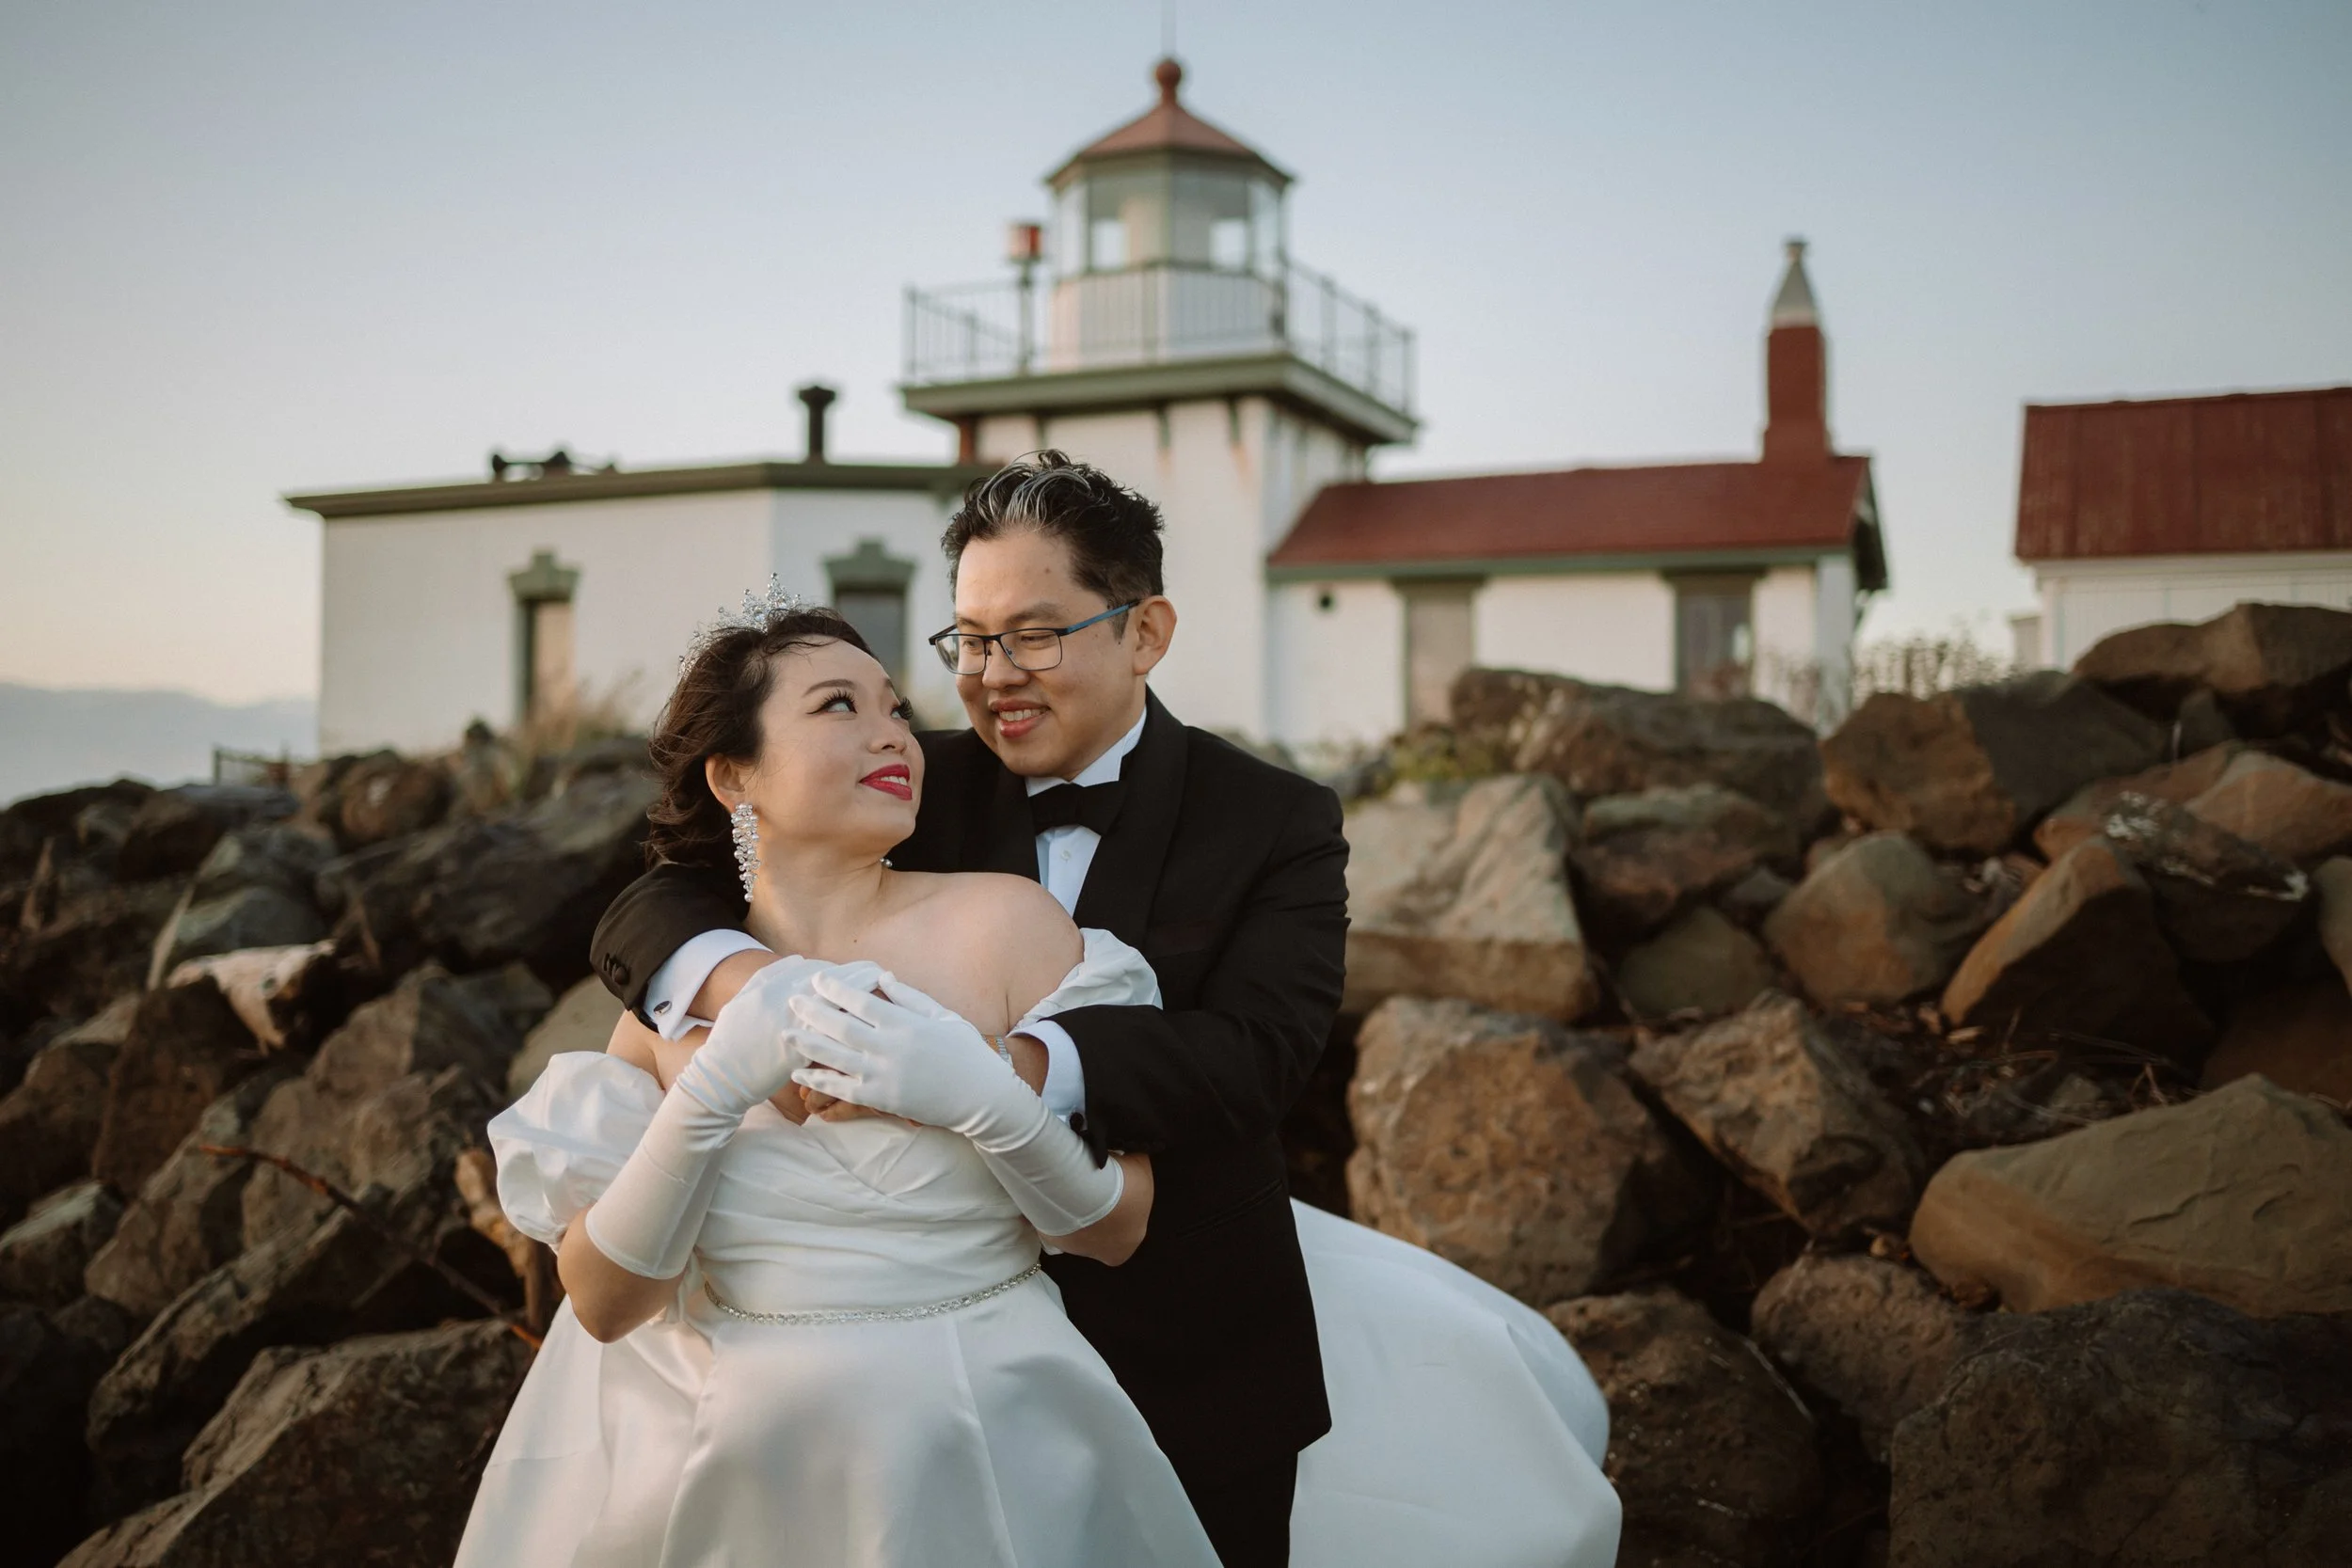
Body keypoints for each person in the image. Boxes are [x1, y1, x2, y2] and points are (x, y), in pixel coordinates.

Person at [588, 454, 1344, 1565]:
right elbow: (656, 895)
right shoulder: (902, 773)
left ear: (1145, 632)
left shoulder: (1273, 817)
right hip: (884, 1405)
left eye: (1034, 634)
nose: (993, 676)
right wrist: (748, 990)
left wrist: (996, 1069)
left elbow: (1256, 1057)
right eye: (972, 639)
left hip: (1183, 1338)